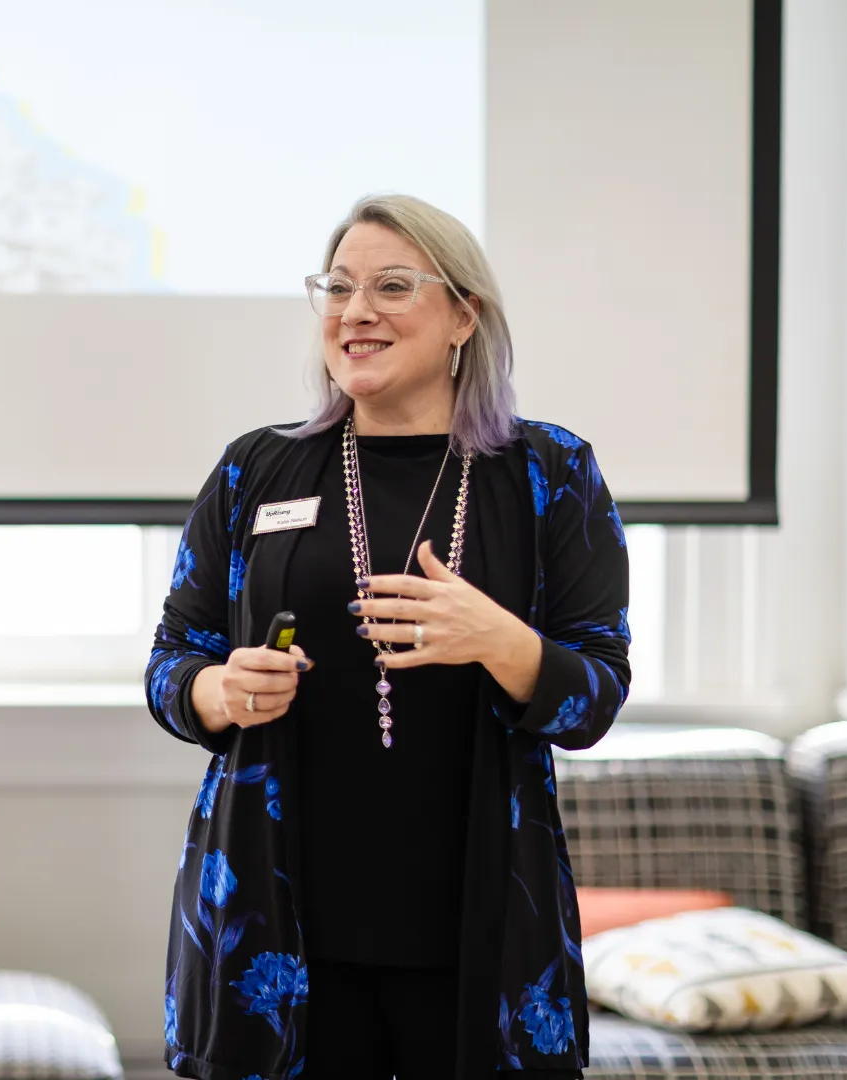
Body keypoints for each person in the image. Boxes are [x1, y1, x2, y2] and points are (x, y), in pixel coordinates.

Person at [146, 194, 630, 1080]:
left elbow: (595, 698)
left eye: (392, 287)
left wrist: (498, 638)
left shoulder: (550, 472)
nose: (355, 311)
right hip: (276, 931)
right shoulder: (257, 468)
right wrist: (220, 690)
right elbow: (172, 662)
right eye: (338, 288)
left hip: (481, 932)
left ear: (464, 316)